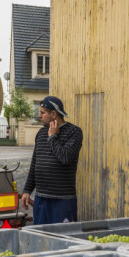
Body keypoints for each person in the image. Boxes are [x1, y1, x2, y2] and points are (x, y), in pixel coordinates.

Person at [20, 96, 83, 225]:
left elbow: (65, 158)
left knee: (63, 239)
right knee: (40, 238)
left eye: (42, 112)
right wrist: (27, 190)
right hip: (41, 200)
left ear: (53, 114)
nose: (39, 115)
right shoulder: (41, 134)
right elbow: (35, 164)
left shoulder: (74, 132)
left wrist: (53, 137)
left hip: (63, 201)